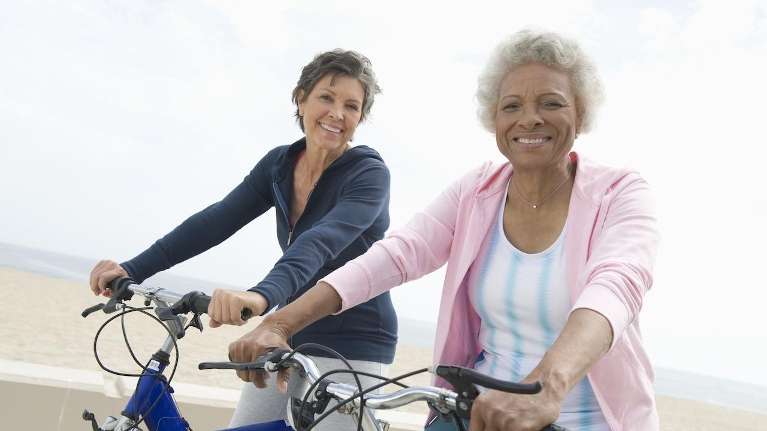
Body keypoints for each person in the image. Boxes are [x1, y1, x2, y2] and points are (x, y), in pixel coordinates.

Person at [228, 29, 660, 431]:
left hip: (584, 419)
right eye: (512, 106)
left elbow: (615, 287)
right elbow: (396, 256)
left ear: (580, 112)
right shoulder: (477, 192)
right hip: (480, 414)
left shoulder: (620, 193)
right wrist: (280, 324)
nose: (530, 119)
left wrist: (546, 387)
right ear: (494, 119)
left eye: (551, 103)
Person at [88, 49, 397, 430]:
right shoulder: (280, 164)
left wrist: (261, 296)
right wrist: (133, 269)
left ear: (360, 118)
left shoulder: (368, 176)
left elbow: (319, 243)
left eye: (352, 106)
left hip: (352, 343)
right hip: (284, 332)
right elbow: (217, 221)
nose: (337, 113)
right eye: (326, 98)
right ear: (301, 98)